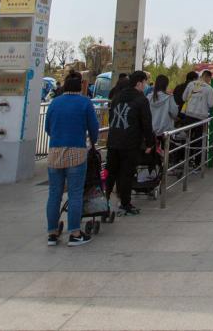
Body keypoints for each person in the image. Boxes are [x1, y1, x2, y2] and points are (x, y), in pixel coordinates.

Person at [35, 73, 101, 245]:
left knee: (54, 194)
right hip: (77, 151)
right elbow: (94, 128)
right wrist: (93, 141)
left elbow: (48, 127)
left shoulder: (54, 103)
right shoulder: (85, 102)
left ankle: (52, 233)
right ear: (80, 86)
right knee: (75, 193)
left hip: (55, 152)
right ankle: (75, 233)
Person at [106, 71, 155, 217]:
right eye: (145, 82)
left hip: (113, 140)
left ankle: (103, 201)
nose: (145, 85)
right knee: (126, 174)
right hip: (130, 142)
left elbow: (111, 118)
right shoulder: (141, 99)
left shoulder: (117, 97)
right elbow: (146, 123)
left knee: (111, 173)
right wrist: (150, 143)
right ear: (139, 83)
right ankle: (125, 204)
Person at [181, 70, 213, 171]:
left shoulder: (191, 84)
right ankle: (197, 164)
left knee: (188, 139)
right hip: (201, 118)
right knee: (199, 140)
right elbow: (211, 104)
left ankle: (186, 160)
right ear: (208, 77)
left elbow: (184, 98)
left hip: (188, 115)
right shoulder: (209, 88)